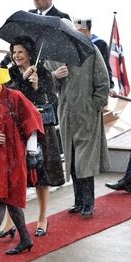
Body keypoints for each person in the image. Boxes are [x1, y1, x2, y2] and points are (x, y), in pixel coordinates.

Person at [0, 60, 44, 260]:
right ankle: (26, 239)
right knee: (8, 202)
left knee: (0, 201)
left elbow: (33, 122)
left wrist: (30, 154)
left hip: (15, 158)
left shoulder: (15, 97)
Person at [0, 36, 65, 238]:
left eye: (20, 52)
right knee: (16, 176)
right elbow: (5, 98)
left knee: (41, 175)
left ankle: (43, 218)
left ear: (29, 54)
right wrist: (21, 81)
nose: (16, 55)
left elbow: (52, 101)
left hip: (40, 130)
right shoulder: (7, 74)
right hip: (16, 130)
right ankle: (10, 221)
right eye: (14, 52)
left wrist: (37, 87)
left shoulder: (43, 72)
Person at [46, 19, 110, 219]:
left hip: (86, 114)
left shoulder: (90, 50)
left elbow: (103, 82)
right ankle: (78, 201)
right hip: (66, 115)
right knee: (72, 159)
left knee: (85, 160)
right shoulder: (54, 56)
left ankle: (89, 203)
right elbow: (47, 86)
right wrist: (55, 76)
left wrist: (94, 106)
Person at [0, 0, 71, 69]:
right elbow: (19, 43)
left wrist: (55, 74)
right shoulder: (29, 15)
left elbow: (69, 49)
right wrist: (3, 63)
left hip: (49, 70)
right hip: (26, 69)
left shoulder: (62, 19)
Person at [73, 18, 116, 97]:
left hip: (95, 87)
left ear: (84, 28)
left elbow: (105, 67)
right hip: (78, 89)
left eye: (76, 27)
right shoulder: (75, 45)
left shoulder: (100, 44)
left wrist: (109, 87)